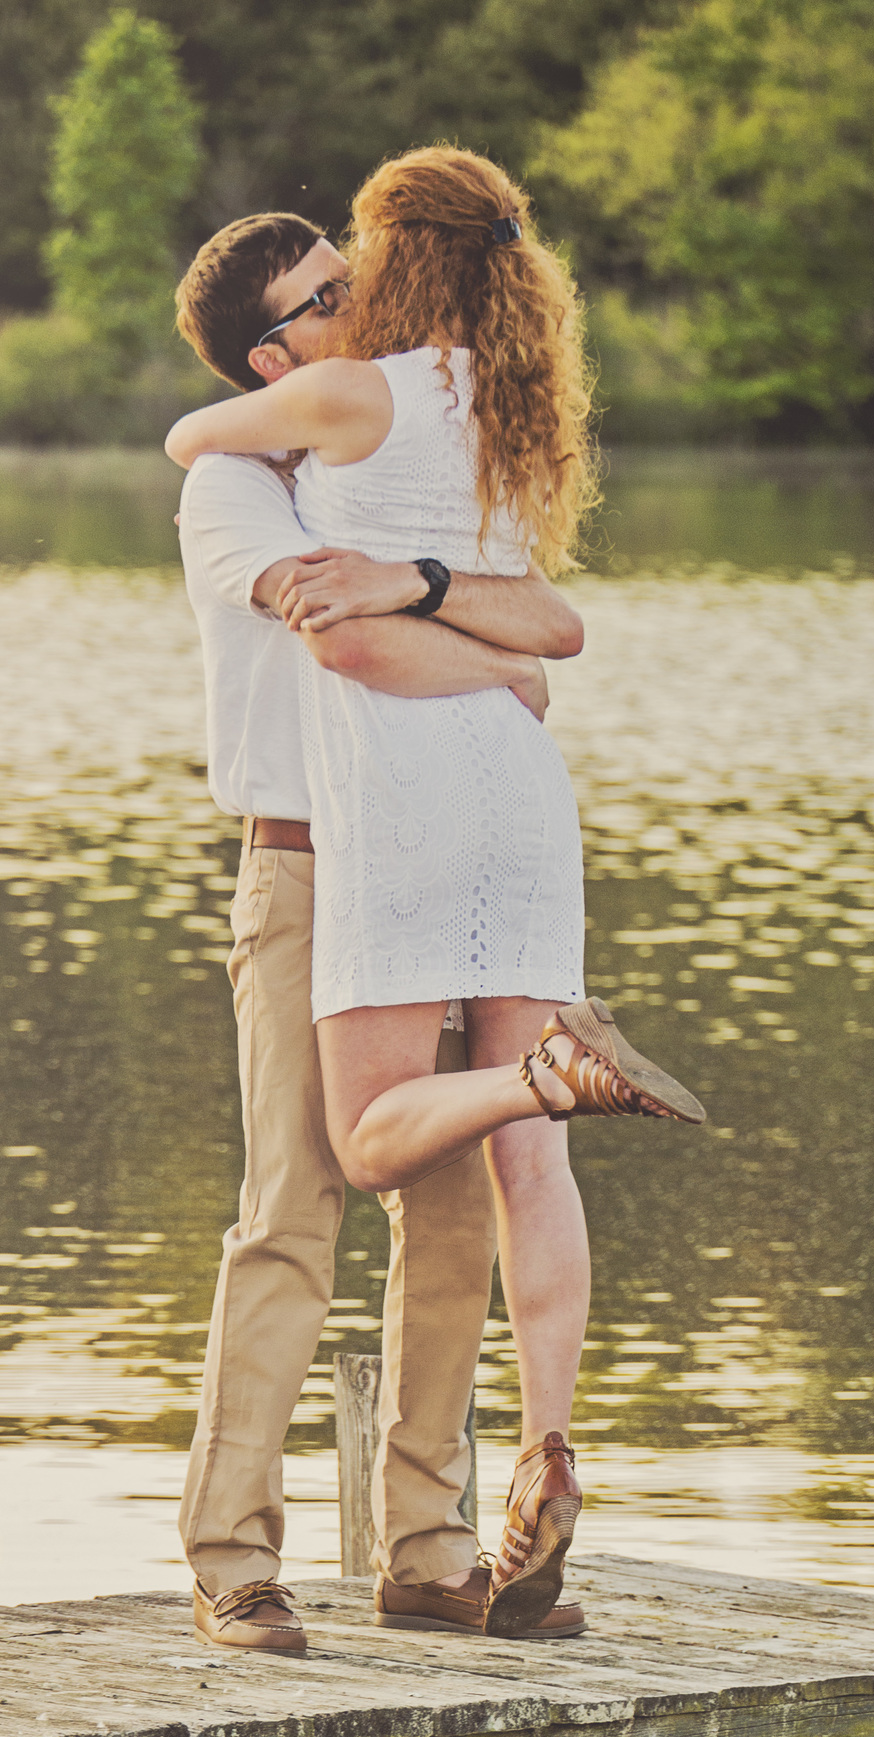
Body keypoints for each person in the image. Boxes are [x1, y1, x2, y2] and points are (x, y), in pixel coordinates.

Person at [169, 149, 703, 1639]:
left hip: (433, 847)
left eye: (355, 275)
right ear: (275, 355)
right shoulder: (237, 484)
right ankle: (234, 1557)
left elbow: (549, 618)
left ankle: (427, 1546)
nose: (361, 300)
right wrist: (505, 661)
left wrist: (495, 633)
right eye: (325, 297)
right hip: (310, 862)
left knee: (455, 1210)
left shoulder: (414, 435)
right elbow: (362, 640)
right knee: (294, 1207)